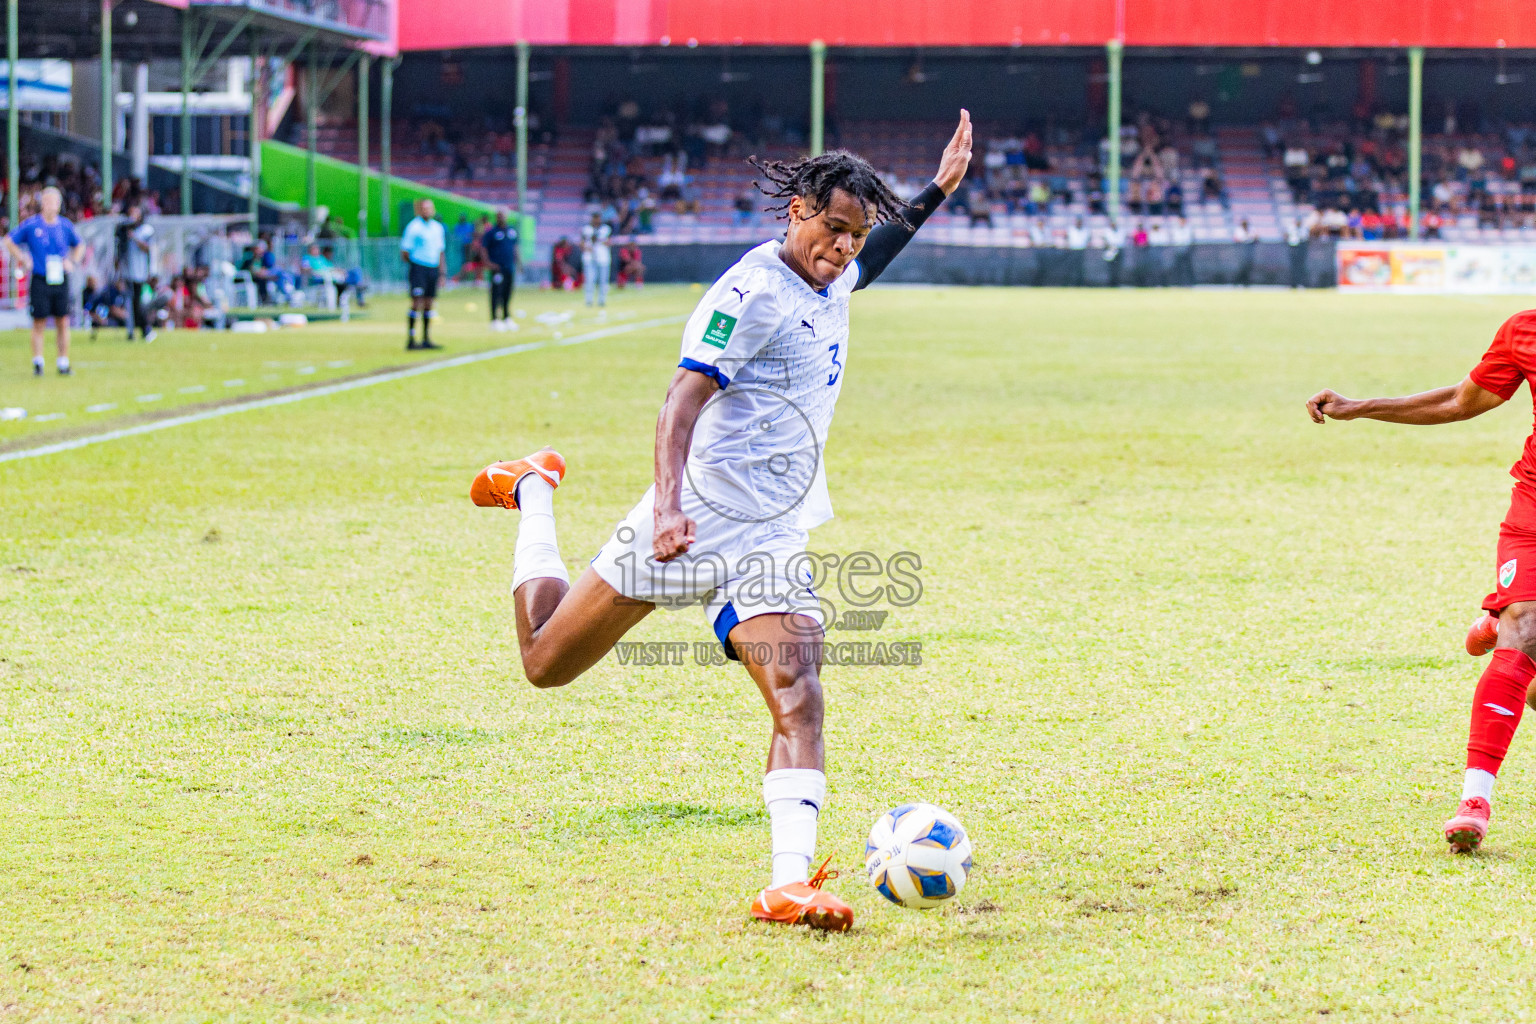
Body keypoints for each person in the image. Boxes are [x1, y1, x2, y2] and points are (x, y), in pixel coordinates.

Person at [468, 110, 973, 933]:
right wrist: (666, 507)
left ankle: (789, 884)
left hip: (773, 530)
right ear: (796, 213)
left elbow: (872, 262)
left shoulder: (836, 273)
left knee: (799, 693)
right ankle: (534, 491)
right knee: (545, 661)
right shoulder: (750, 293)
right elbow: (681, 400)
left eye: (854, 234)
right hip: (697, 516)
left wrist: (938, 190)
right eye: (831, 230)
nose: (842, 248)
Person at [1306, 309, 1536, 854]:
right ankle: (1475, 801)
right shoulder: (1525, 329)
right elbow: (1460, 401)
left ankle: (1497, 622)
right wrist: (1360, 408)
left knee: (1526, 662)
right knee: (1527, 628)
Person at [5, 186, 85, 376]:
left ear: (59, 204)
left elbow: (79, 245)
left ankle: (63, 361)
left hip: (60, 278)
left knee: (62, 321)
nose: (50, 205)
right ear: (42, 203)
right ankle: (38, 362)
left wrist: (72, 261)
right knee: (39, 322)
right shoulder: (32, 225)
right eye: (47, 201)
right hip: (40, 278)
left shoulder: (65, 226)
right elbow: (9, 241)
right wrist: (24, 258)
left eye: (54, 202)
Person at [401, 198, 446, 351]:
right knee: (416, 303)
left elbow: (440, 251)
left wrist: (442, 272)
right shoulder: (414, 227)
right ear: (420, 210)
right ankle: (411, 339)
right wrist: (416, 264)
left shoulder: (437, 228)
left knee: (429, 304)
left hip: (432, 269)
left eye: (429, 208)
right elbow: (405, 251)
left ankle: (426, 338)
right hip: (419, 268)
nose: (427, 211)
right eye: (424, 208)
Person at [122, 202, 155, 341]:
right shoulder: (124, 229)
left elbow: (148, 248)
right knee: (129, 302)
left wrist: (134, 238)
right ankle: (132, 331)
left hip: (140, 272)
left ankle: (145, 328)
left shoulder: (145, 230)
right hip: (127, 272)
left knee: (138, 303)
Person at [482, 209, 519, 331]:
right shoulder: (491, 232)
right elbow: (483, 248)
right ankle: (494, 319)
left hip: (509, 267)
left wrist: (519, 263)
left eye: (503, 215)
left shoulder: (512, 231)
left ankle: (506, 317)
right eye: (499, 216)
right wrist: (488, 263)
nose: (501, 218)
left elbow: (515, 248)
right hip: (497, 268)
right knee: (496, 293)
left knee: (507, 293)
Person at [580, 210, 612, 308]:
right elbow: (581, 243)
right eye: (595, 217)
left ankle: (602, 300)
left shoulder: (605, 229)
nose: (597, 220)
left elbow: (609, 242)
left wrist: (600, 242)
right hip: (589, 258)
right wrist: (586, 247)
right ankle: (589, 300)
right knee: (590, 280)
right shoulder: (586, 229)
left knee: (603, 281)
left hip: (603, 257)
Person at [1286, 216, 1310, 289]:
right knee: (1293, 268)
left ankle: (1300, 283)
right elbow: (1289, 237)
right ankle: (1292, 284)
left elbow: (1305, 238)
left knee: (1301, 268)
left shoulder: (1304, 228)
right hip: (1293, 248)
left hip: (1301, 249)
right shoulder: (1291, 228)